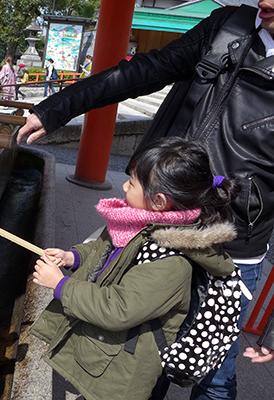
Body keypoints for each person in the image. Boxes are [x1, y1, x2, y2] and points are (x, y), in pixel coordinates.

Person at [17, 2, 274, 399]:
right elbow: (144, 69)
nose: (266, 2)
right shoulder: (230, 23)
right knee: (139, 354)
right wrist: (57, 109)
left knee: (213, 375)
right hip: (157, 227)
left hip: (233, 244)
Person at [31, 137, 238, 400]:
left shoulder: (171, 260)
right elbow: (103, 251)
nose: (125, 186)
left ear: (159, 201)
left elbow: (119, 309)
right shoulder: (136, 223)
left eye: (132, 182)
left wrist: (61, 285)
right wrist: (73, 257)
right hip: (105, 350)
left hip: (122, 367)